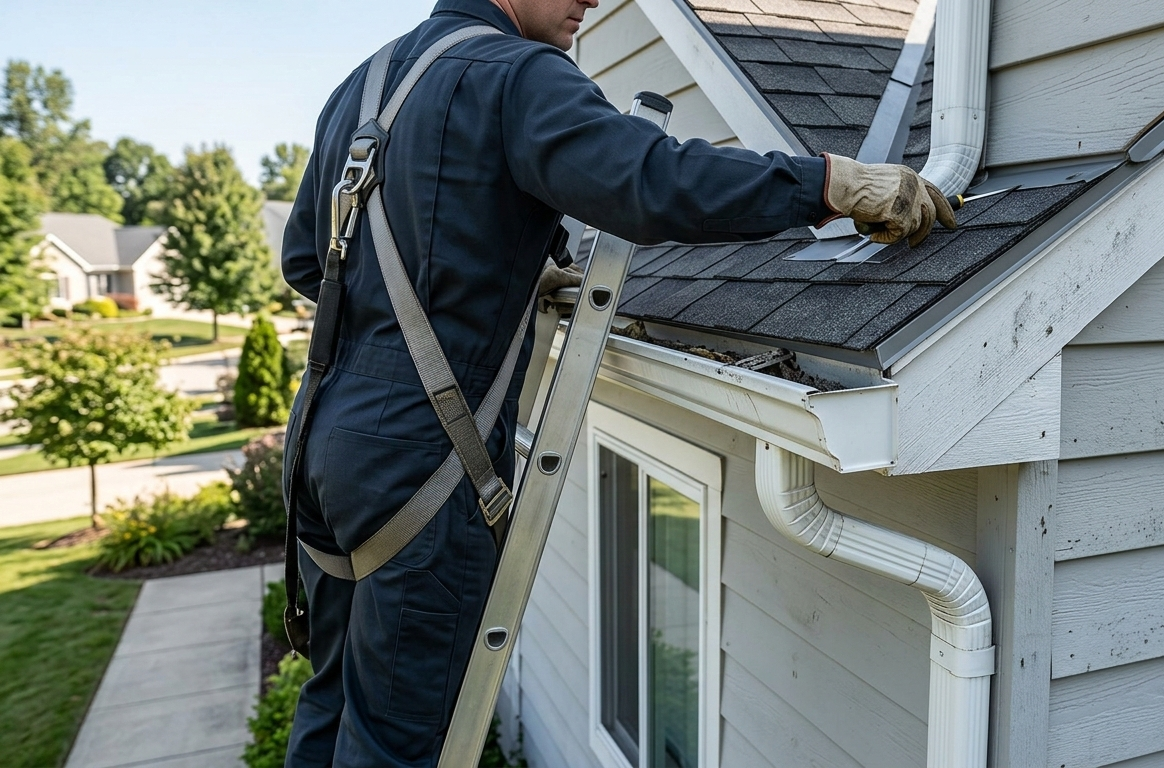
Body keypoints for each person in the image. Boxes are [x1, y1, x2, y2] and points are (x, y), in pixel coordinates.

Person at [280, 0, 955, 765]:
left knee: (332, 703)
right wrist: (829, 183)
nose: (595, 0)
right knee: (397, 746)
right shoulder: (518, 75)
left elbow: (307, 261)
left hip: (322, 442)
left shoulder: (360, 88)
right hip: (420, 462)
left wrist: (480, 264)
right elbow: (648, 179)